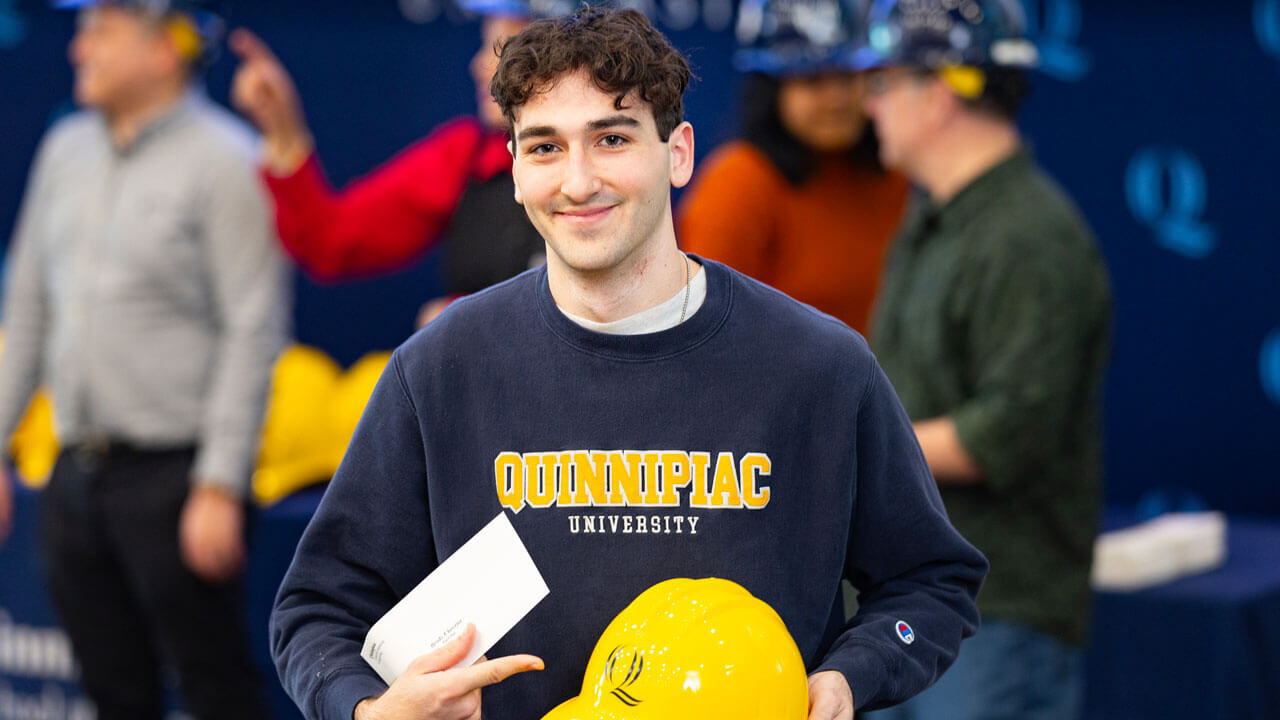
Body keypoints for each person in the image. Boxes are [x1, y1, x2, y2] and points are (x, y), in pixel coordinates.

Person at [270, 7, 987, 720]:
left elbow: (929, 582)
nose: (578, 182)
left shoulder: (819, 365)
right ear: (514, 168)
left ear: (678, 153)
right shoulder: (440, 370)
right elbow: (317, 608)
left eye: (611, 139)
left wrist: (851, 676)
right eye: (545, 148)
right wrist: (366, 710)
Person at [0, 1, 289, 717]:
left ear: (164, 50)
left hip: (177, 478)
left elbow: (253, 328)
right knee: (110, 688)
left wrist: (219, 483)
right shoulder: (65, 148)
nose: (78, 49)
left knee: (215, 687)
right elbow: (28, 306)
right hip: (73, 474)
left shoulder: (229, 160)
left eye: (101, 31)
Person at [859, 1, 1112, 718]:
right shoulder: (931, 217)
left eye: (882, 84)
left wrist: (855, 444)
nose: (869, 105)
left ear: (937, 94)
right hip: (910, 597)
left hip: (997, 612)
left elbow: (1009, 432)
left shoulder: (1032, 238)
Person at [230, 0, 570, 324]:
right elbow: (331, 240)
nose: (481, 66)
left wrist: (470, 320)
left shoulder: (611, 161)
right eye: (486, 46)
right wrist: (283, 132)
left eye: (506, 49)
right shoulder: (465, 155)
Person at [677, 0, 908, 334]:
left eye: (847, 78)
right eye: (813, 80)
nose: (836, 99)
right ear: (772, 91)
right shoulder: (738, 182)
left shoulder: (890, 177)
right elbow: (706, 329)